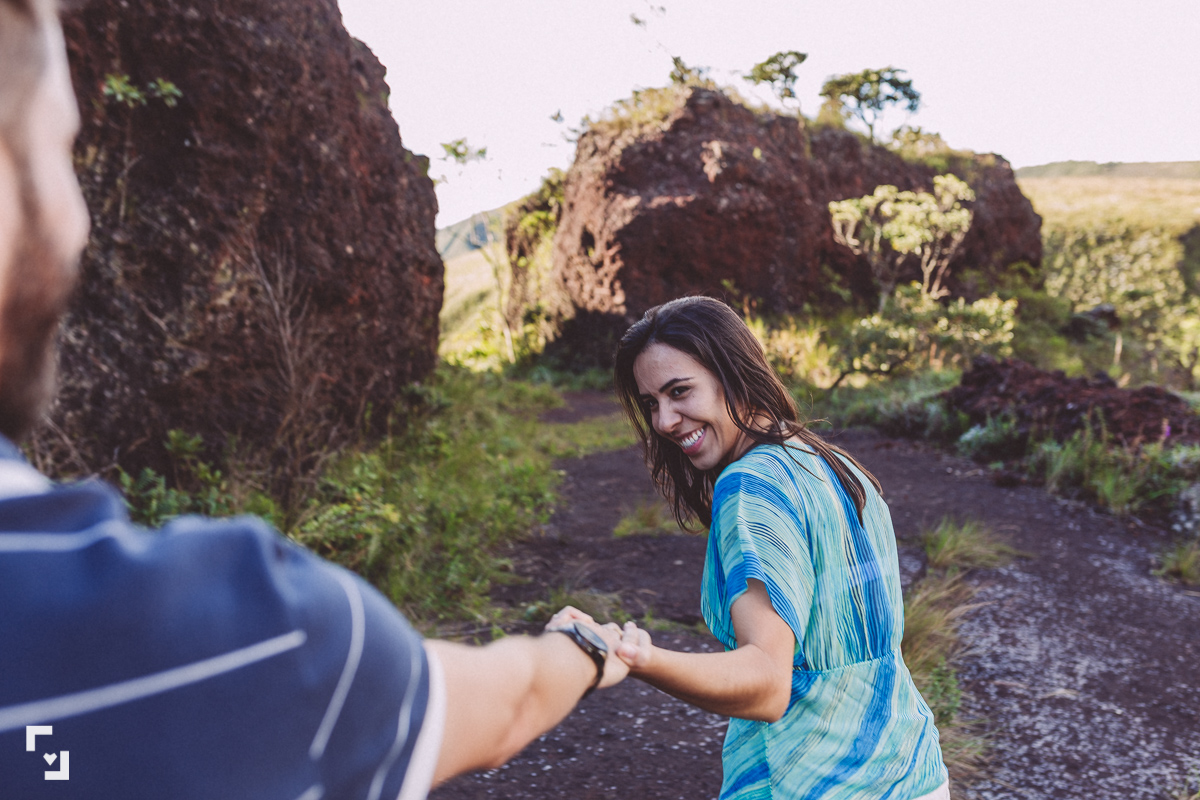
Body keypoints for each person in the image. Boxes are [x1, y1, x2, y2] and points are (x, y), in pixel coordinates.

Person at [0, 0, 628, 797]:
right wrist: (580, 648)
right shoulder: (244, 647)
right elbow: (504, 708)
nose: (82, 218)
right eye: (58, 146)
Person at [603, 296, 950, 799]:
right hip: (912, 772)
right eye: (652, 402)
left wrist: (637, 658)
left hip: (809, 781)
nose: (663, 421)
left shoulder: (749, 486)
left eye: (680, 391)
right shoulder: (833, 463)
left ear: (735, 373)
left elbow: (766, 683)